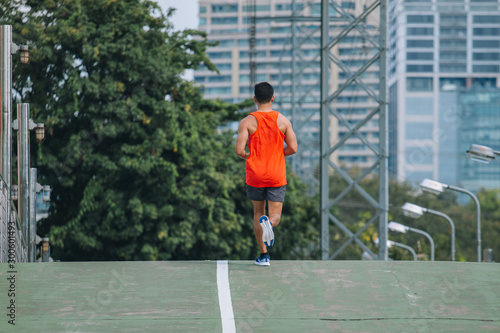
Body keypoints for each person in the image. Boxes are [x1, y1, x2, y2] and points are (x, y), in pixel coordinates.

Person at [235, 82, 298, 266]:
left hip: (255, 175)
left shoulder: (247, 122)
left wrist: (249, 155)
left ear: (255, 99)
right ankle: (270, 224)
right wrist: (278, 152)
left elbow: (239, 150)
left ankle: (264, 256)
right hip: (276, 175)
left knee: (257, 213)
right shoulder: (283, 121)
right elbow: (293, 148)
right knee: (275, 215)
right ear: (273, 98)